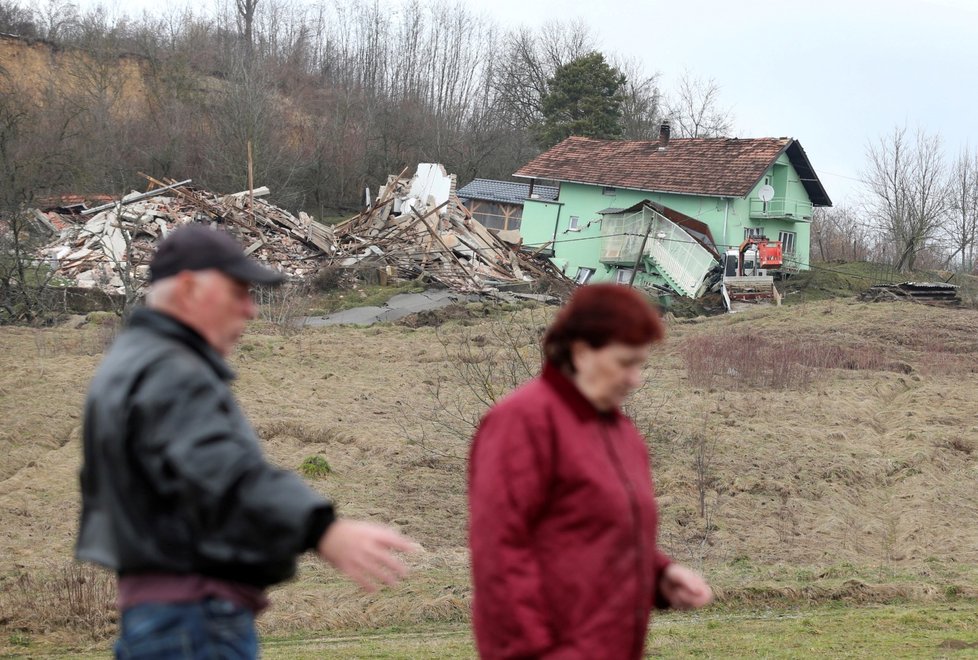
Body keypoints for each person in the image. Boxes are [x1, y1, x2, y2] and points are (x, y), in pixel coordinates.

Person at [76, 224, 416, 659]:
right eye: (238, 292)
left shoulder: (129, 364)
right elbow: (223, 471)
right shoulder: (172, 371)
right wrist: (321, 528)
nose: (250, 311)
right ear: (187, 288)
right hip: (194, 622)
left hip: (158, 615)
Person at [468, 283, 712, 659]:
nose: (636, 380)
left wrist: (659, 575)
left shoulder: (622, 434)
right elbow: (499, 557)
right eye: (625, 362)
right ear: (581, 352)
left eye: (641, 364)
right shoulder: (522, 422)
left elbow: (595, 537)